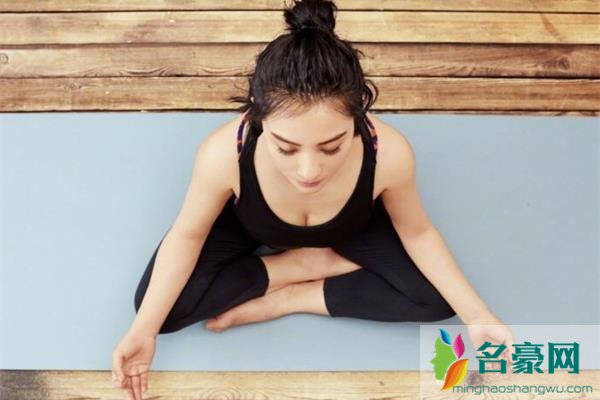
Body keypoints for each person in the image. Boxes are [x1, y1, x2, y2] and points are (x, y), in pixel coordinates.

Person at [111, 1, 515, 398]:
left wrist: (478, 316)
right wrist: (143, 332)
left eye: (332, 146)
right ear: (258, 120)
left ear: (357, 119)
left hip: (353, 229)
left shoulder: (390, 153)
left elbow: (418, 232)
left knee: (439, 298)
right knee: (159, 311)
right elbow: (188, 235)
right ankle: (300, 265)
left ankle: (296, 296)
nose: (309, 171)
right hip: (250, 226)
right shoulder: (223, 154)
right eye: (286, 148)